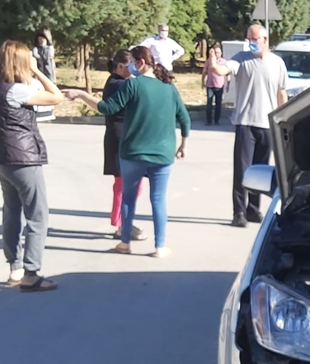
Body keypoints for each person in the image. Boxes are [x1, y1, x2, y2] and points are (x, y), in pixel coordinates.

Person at [65, 45, 190, 258]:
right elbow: (184, 118)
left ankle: (125, 243)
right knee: (158, 199)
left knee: (128, 198)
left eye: (132, 61)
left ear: (140, 62)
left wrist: (82, 95)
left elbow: (106, 108)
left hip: (133, 152)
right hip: (162, 154)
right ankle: (160, 247)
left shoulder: (132, 85)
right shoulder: (169, 88)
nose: (129, 66)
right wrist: (183, 145)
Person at [0, 39, 64, 291]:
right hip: (23, 159)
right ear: (20, 63)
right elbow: (56, 97)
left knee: (11, 212)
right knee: (37, 215)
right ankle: (31, 272)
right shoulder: (16, 90)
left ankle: (15, 267)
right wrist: (39, 70)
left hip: (0, 159)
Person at [208, 24, 288, 226]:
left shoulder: (277, 63)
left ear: (265, 40)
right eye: (249, 39)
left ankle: (254, 209)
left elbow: (281, 93)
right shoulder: (241, 60)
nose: (251, 43)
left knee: (261, 172)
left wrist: (285, 118)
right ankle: (239, 213)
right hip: (245, 123)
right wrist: (212, 62)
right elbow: (222, 69)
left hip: (267, 124)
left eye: (255, 39)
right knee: (243, 170)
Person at [100, 49, 147, 241]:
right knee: (124, 183)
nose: (134, 70)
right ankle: (121, 224)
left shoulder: (118, 82)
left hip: (122, 136)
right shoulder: (118, 84)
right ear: (120, 66)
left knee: (129, 183)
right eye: (131, 66)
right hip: (120, 137)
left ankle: (122, 221)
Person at [203, 42, 228, 125]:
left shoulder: (224, 62)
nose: (216, 54)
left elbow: (227, 74)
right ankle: (208, 120)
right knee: (209, 103)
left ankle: (217, 120)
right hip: (210, 85)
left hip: (219, 86)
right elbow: (204, 72)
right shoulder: (209, 61)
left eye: (218, 52)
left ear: (221, 53)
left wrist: (228, 84)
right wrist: (202, 81)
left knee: (218, 104)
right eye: (215, 52)